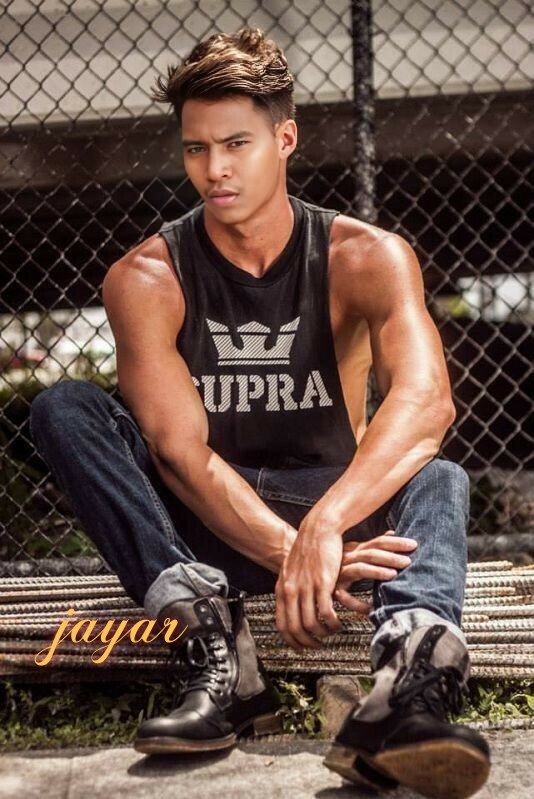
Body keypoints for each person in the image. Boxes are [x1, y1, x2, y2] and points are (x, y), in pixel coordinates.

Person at [29, 27, 490, 799]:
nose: (213, 169)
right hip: (205, 525)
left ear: (285, 139)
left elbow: (426, 402)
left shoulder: (365, 255)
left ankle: (406, 694)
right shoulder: (146, 276)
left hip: (329, 507)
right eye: (196, 149)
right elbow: (179, 453)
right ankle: (220, 653)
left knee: (437, 476)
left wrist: (325, 527)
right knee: (66, 407)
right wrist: (293, 551)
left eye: (236, 144)